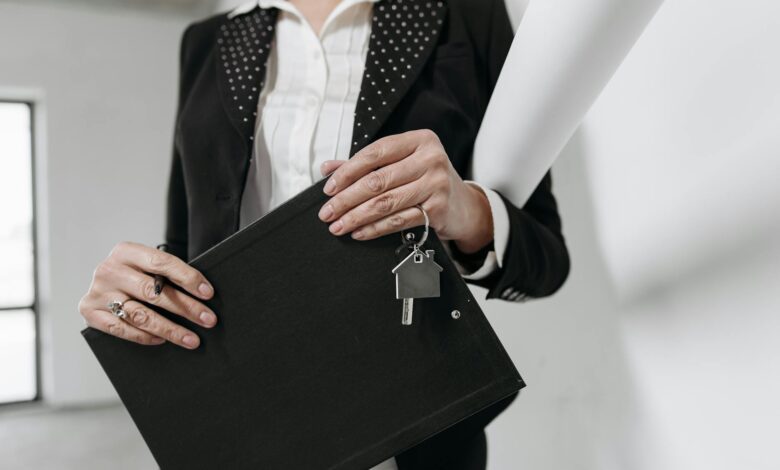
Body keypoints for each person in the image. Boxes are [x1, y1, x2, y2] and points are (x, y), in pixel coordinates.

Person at [78, 0, 570, 468]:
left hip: (412, 425)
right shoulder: (208, 39)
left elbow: (546, 258)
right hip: (242, 424)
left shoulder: (469, 15)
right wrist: (139, 291)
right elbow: (186, 248)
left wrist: (470, 211)